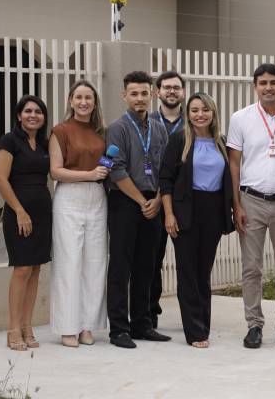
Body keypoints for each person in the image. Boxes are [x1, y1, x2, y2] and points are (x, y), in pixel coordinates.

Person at [227, 63, 275, 349]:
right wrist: (236, 204)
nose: (268, 87)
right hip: (251, 200)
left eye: (273, 82)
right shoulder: (241, 118)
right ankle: (254, 325)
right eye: (262, 83)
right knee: (251, 268)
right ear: (255, 86)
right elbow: (234, 162)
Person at [160, 92, 234, 348]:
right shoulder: (179, 140)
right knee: (188, 271)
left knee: (204, 271)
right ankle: (195, 332)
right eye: (194, 110)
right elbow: (165, 180)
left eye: (205, 109)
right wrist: (169, 214)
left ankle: (203, 324)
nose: (200, 114)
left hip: (213, 211)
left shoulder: (221, 142)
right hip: (185, 211)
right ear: (187, 114)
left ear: (213, 113)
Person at [106, 71, 171, 349]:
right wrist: (140, 200)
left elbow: (165, 169)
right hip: (125, 201)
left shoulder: (158, 128)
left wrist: (156, 200)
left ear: (152, 95)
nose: (140, 98)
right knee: (121, 265)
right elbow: (115, 169)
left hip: (152, 203)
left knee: (148, 265)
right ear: (125, 96)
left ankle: (142, 324)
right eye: (134, 93)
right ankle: (119, 329)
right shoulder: (117, 128)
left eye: (144, 93)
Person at [49, 80, 109, 348]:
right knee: (69, 263)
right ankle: (67, 328)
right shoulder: (60, 131)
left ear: (94, 103)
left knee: (95, 263)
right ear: (71, 101)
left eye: (89, 98)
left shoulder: (101, 133)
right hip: (69, 197)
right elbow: (56, 171)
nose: (84, 102)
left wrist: (96, 177)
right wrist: (88, 174)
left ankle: (88, 325)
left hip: (97, 197)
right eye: (79, 97)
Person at [0, 95, 51, 351]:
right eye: (28, 111)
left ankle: (28, 327)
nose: (33, 115)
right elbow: (0, 179)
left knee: (36, 269)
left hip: (42, 212)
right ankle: (13, 329)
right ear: (19, 115)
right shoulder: (9, 141)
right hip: (20, 213)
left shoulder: (42, 143)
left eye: (38, 112)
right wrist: (19, 210)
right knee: (21, 269)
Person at [149, 70, 187, 329]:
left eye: (176, 87)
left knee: (188, 263)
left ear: (183, 92)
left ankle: (192, 316)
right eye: (166, 88)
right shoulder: (146, 121)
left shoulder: (195, 121)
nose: (171, 91)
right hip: (152, 201)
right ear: (157, 92)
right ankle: (149, 312)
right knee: (151, 261)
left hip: (183, 202)